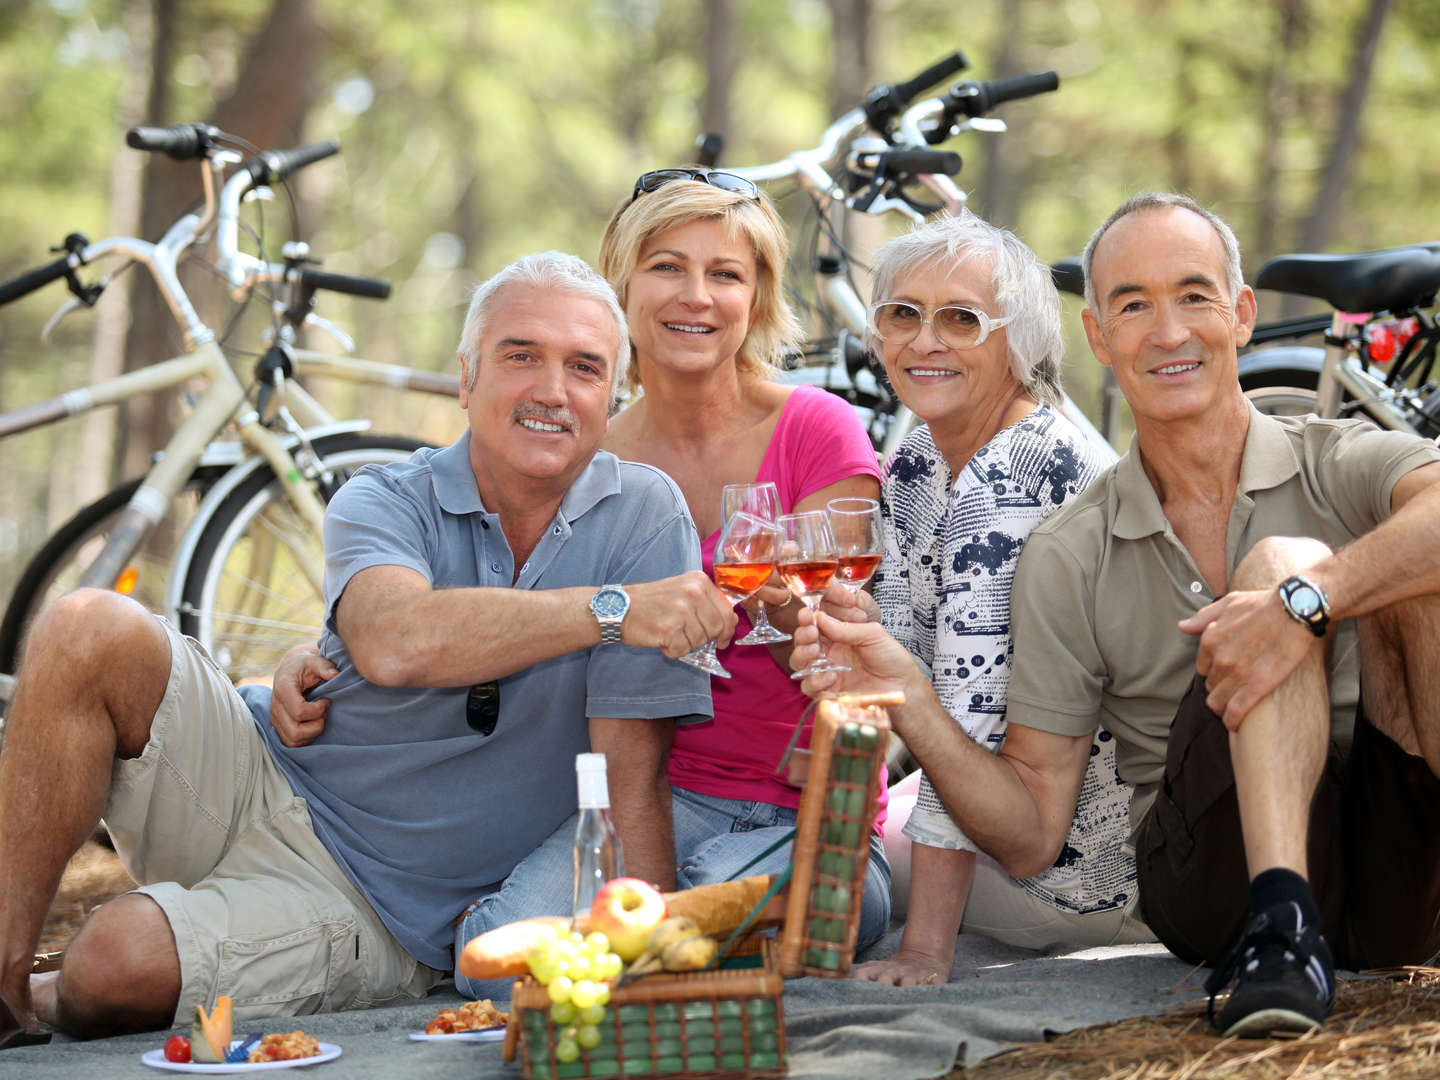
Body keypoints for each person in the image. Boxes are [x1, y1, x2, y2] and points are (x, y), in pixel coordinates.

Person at [0, 251, 737, 1042]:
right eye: (521, 355)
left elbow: (633, 776)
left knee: (110, 967)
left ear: (612, 395)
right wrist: (612, 609)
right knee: (85, 624)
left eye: (584, 367)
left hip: (371, 899)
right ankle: (3, 982)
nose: (552, 390)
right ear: (466, 378)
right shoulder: (383, 494)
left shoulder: (643, 517)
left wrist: (653, 974)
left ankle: (71, 988)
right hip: (255, 768)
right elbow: (393, 642)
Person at [793, 192, 1440, 1037]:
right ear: (1099, 338)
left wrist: (1308, 600)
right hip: (1212, 882)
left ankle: (1303, 935)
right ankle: (1281, 930)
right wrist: (895, 687)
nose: (1168, 331)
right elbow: (1023, 824)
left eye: (1194, 296)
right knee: (1284, 566)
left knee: (1361, 563)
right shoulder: (1062, 543)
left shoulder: (1334, 459)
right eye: (1134, 305)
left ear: (1242, 316)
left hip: (1392, 862)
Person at [777, 213, 1148, 989]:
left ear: (1021, 342)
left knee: (793, 875)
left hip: (1084, 875)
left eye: (961, 319)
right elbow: (914, 668)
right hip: (1007, 801)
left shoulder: (1012, 482)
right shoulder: (920, 455)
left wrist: (925, 952)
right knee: (803, 835)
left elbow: (958, 727)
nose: (924, 341)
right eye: (902, 315)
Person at [587, 168, 894, 958]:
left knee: (678, 931)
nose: (697, 296)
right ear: (623, 285)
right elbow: (500, 591)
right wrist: (322, 650)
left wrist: (788, 599)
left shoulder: (817, 429)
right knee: (491, 956)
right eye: (668, 267)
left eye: (726, 274)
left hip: (804, 810)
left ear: (755, 300)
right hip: (648, 800)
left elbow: (842, 624)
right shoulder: (589, 462)